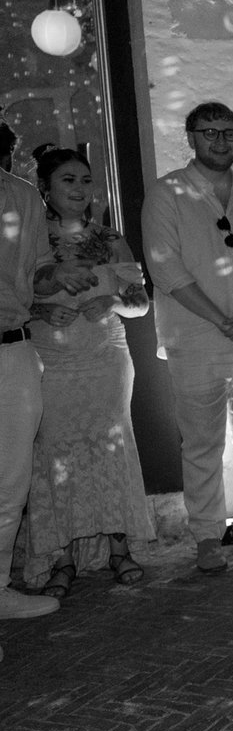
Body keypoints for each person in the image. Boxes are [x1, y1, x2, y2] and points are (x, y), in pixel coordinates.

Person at [144, 102, 233, 573]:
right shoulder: (167, 194)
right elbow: (165, 267)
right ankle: (207, 534)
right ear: (190, 136)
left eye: (229, 132)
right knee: (202, 443)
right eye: (210, 132)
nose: (221, 141)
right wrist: (221, 317)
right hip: (195, 339)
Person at [21, 146, 153, 597]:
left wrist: (112, 300)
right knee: (56, 454)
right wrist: (40, 309)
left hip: (105, 360)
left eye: (84, 180)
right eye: (67, 181)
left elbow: (140, 302)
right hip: (51, 364)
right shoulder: (30, 240)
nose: (79, 190)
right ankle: (61, 559)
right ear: (45, 188)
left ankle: (120, 550)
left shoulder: (110, 239)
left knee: (111, 445)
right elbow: (13, 301)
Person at [1, 150, 96, 618]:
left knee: (10, 482)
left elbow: (36, 273)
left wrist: (54, 273)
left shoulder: (21, 195)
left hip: (13, 349)